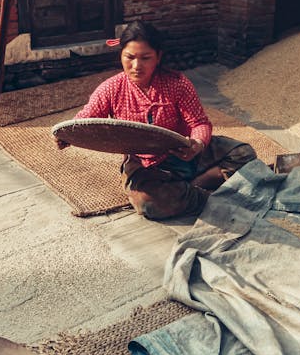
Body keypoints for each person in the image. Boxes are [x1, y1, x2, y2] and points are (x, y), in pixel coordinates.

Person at [56, 20, 256, 219]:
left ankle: (190, 187)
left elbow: (199, 122)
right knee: (148, 204)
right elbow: (86, 117)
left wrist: (197, 144)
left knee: (244, 155)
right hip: (144, 164)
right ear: (121, 55)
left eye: (145, 58)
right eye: (130, 57)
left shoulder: (177, 83)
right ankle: (204, 197)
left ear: (158, 57)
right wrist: (67, 134)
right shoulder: (111, 88)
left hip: (183, 152)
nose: (136, 66)